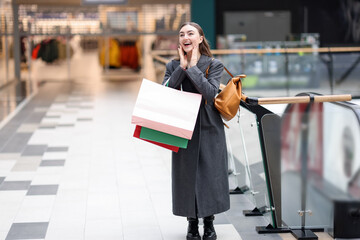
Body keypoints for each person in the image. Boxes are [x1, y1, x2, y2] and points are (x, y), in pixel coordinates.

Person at [162, 22, 230, 240]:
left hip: (209, 124)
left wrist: (192, 67)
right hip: (184, 125)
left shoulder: (214, 64)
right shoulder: (173, 66)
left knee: (210, 174)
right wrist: (182, 68)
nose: (185, 37)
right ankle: (192, 223)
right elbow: (165, 92)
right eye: (181, 34)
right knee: (186, 175)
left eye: (190, 33)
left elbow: (210, 94)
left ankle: (209, 223)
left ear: (200, 38)